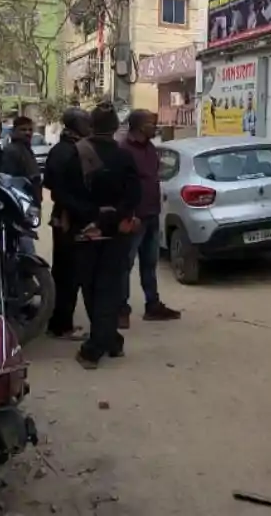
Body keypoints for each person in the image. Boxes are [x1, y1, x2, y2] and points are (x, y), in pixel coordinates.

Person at [47, 102, 141, 369]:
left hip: (84, 231)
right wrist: (116, 215)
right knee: (109, 288)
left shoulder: (75, 154)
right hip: (116, 232)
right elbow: (135, 194)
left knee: (90, 288)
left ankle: (93, 349)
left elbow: (61, 194)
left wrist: (91, 213)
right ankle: (112, 341)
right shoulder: (124, 157)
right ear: (115, 127)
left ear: (91, 125)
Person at [117, 110, 182, 328]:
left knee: (150, 263)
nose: (156, 127)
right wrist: (128, 214)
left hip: (152, 214)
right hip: (134, 217)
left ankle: (152, 305)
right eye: (151, 124)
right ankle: (121, 310)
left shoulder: (151, 148)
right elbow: (121, 186)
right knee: (124, 265)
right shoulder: (124, 150)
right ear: (139, 126)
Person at [44, 107, 92, 339]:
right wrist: (72, 210)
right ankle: (62, 325)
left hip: (66, 215)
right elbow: (58, 188)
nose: (89, 126)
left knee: (65, 271)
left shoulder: (64, 148)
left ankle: (59, 322)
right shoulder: (68, 151)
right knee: (68, 274)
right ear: (76, 125)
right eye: (85, 122)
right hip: (68, 218)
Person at [2, 116, 42, 201]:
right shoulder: (12, 150)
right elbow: (11, 178)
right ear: (14, 131)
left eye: (30, 130)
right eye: (23, 130)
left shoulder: (26, 148)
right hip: (22, 198)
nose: (27, 133)